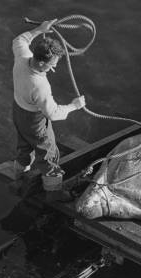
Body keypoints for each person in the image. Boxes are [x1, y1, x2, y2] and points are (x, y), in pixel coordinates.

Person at [11, 19, 86, 187]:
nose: (55, 67)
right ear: (42, 63)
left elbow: (19, 40)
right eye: (53, 64)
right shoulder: (40, 86)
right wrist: (75, 105)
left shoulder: (22, 56)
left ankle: (18, 177)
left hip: (18, 112)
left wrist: (40, 29)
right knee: (49, 156)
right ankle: (54, 192)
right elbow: (52, 114)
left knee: (24, 145)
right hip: (35, 122)